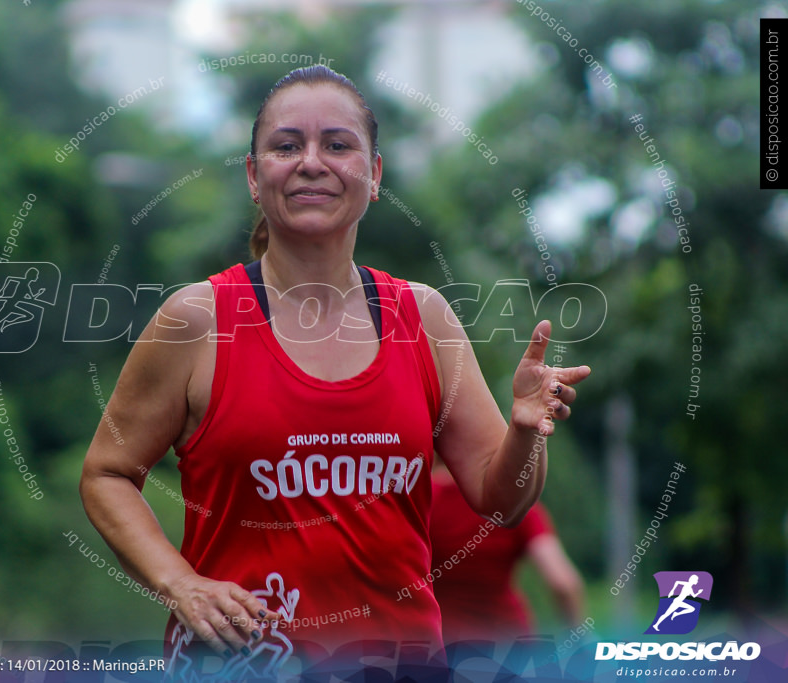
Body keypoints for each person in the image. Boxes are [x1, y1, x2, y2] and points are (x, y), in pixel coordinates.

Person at [79, 65, 591, 674]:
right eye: (287, 145)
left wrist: (527, 433)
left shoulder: (423, 316)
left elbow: (499, 500)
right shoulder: (197, 319)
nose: (312, 162)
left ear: (373, 176)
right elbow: (106, 475)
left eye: (339, 145)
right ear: (253, 175)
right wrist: (181, 583)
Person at [429, 463, 584, 642]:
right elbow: (563, 583)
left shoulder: (420, 498)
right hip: (510, 643)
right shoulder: (515, 503)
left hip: (444, 645)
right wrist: (577, 637)